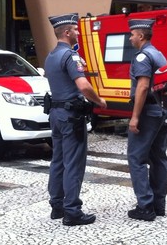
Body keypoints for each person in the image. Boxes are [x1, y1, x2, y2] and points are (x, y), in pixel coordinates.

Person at [45, 13, 107, 226]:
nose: (79, 33)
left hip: (56, 114)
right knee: (73, 163)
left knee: (58, 160)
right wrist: (99, 100)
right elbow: (83, 85)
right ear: (66, 32)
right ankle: (72, 211)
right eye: (76, 30)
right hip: (71, 116)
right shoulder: (70, 57)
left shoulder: (51, 56)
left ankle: (57, 205)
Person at [126, 18, 167, 221]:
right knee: (159, 158)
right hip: (160, 112)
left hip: (147, 112)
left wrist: (135, 117)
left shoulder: (142, 56)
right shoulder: (158, 54)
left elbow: (142, 87)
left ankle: (145, 206)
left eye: (132, 34)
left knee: (136, 158)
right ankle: (159, 205)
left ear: (140, 36)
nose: (130, 37)